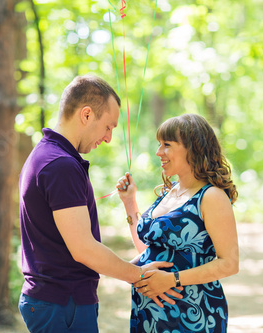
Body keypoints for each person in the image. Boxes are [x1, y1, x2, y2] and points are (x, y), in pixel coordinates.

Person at [18, 75, 181, 333]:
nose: (107, 138)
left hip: (57, 302)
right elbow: (83, 249)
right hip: (63, 304)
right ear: (86, 115)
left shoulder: (46, 155)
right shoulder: (60, 165)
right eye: (108, 127)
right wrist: (140, 277)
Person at [116, 113, 239, 332]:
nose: (158, 152)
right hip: (149, 314)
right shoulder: (169, 192)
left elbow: (229, 263)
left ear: (193, 148)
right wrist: (129, 202)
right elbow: (148, 250)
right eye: (159, 144)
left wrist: (172, 279)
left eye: (167, 145)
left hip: (192, 313)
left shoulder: (211, 196)